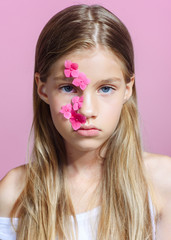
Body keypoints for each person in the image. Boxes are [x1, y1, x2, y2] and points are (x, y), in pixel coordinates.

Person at [0, 4, 171, 240]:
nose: (87, 110)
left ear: (127, 89)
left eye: (106, 88)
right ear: (43, 89)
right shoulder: (13, 193)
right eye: (68, 88)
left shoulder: (164, 182)